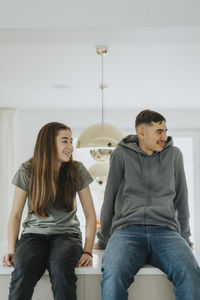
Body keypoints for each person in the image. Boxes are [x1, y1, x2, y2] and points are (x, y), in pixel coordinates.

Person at [96, 109, 200, 300]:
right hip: (127, 231)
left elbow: (181, 201)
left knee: (191, 273)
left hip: (166, 231)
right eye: (159, 132)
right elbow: (109, 198)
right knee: (113, 275)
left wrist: (184, 238)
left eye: (165, 131)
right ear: (141, 133)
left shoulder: (174, 155)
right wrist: (103, 240)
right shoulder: (121, 154)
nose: (164, 136)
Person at [2, 122, 96, 300]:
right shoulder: (27, 171)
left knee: (60, 267)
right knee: (23, 271)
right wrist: (12, 250)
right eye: (64, 141)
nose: (70, 146)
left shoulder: (77, 170)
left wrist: (88, 251)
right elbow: (15, 214)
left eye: (70, 141)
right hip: (33, 235)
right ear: (48, 144)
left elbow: (90, 214)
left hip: (67, 235)